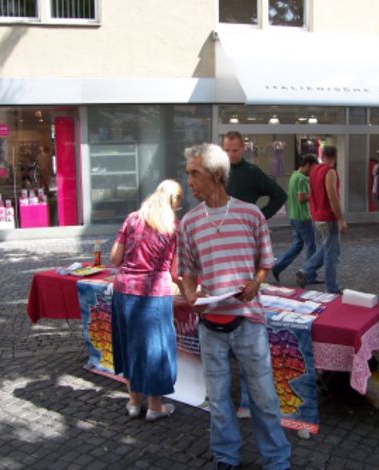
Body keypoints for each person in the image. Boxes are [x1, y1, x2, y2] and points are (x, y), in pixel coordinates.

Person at [178, 143, 291, 470]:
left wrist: (256, 282)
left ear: (216, 175)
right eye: (188, 174)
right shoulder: (189, 223)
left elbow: (264, 262)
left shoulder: (251, 214)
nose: (189, 181)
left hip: (248, 321)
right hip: (210, 325)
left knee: (264, 398)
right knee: (218, 401)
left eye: (194, 173)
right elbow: (187, 273)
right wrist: (189, 295)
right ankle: (227, 457)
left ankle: (276, 459)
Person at [110, 179, 183, 421]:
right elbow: (175, 272)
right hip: (155, 294)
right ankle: (155, 406)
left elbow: (115, 258)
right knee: (157, 348)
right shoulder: (173, 226)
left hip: (125, 290)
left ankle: (133, 403)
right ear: (175, 201)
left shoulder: (132, 218)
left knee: (129, 344)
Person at [295, 145, 347, 294]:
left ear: (322, 155)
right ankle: (331, 286)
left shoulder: (314, 171)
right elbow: (332, 196)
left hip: (316, 216)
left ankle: (306, 270)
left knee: (327, 247)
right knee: (331, 253)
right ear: (335, 157)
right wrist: (341, 219)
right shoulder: (330, 172)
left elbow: (312, 193)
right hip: (328, 217)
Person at [271, 153, 318, 282]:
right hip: (302, 217)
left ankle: (277, 267)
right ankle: (309, 275)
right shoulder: (302, 178)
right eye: (313, 168)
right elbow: (301, 198)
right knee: (311, 246)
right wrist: (314, 196)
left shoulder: (294, 175)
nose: (312, 172)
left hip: (293, 216)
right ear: (307, 165)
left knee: (297, 245)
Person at [223, 131, 287, 220]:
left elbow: (281, 195)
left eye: (235, 150)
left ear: (243, 148)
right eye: (227, 150)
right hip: (221, 228)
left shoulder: (252, 172)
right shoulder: (219, 171)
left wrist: (258, 218)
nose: (230, 154)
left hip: (244, 229)